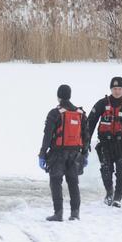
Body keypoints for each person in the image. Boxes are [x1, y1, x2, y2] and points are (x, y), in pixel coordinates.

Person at [87, 76, 122, 207]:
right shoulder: (102, 103)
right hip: (105, 143)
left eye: (119, 88)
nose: (117, 91)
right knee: (105, 169)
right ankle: (109, 193)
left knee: (121, 170)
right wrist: (86, 140)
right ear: (111, 89)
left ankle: (118, 198)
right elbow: (90, 123)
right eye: (114, 88)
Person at [38, 84, 90, 221]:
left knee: (55, 181)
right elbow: (86, 136)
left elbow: (47, 135)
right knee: (73, 183)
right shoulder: (81, 114)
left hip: (58, 153)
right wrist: (84, 154)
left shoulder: (54, 113)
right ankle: (75, 213)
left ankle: (58, 213)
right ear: (70, 95)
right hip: (75, 154)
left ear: (58, 96)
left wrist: (42, 154)